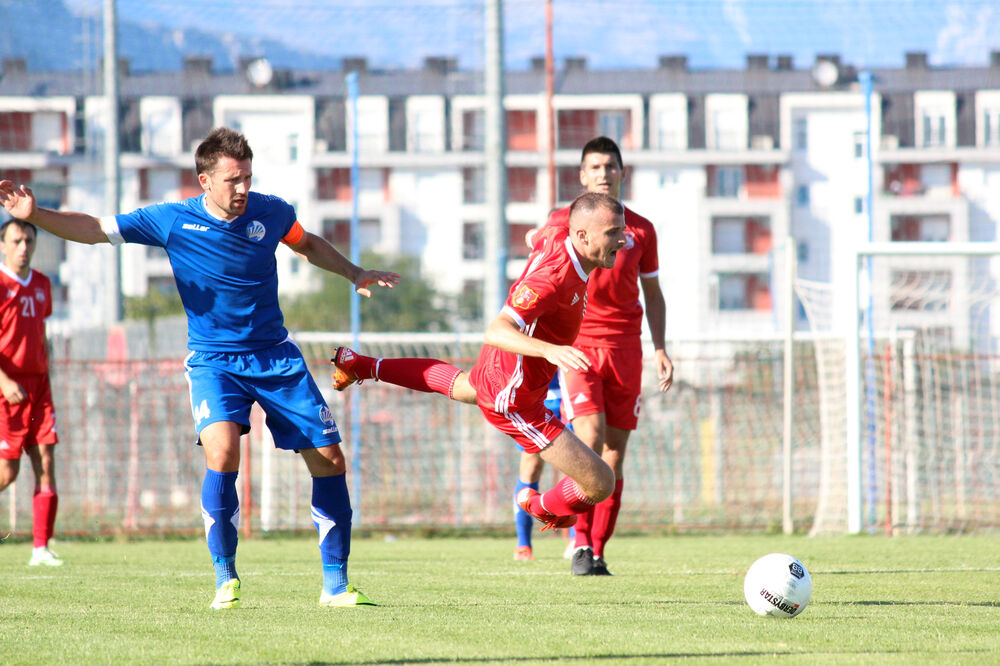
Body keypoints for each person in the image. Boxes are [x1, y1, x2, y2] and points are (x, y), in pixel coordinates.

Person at [0, 127, 400, 609]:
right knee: (223, 451)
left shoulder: (271, 211)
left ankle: (335, 584)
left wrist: (355, 273)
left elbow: (306, 243)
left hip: (275, 354)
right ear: (204, 180)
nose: (243, 189)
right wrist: (36, 214)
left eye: (248, 177)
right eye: (233, 179)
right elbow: (93, 230)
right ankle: (225, 578)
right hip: (214, 360)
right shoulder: (171, 221)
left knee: (330, 459)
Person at [331, 192, 625, 533]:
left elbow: (539, 234)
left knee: (461, 385)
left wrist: (534, 238)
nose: (622, 239)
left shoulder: (559, 235)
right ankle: (536, 504)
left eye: (622, 230)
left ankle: (361, 365)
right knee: (600, 483)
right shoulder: (552, 279)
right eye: (613, 232)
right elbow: (497, 330)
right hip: (513, 396)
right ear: (583, 236)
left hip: (503, 369)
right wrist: (549, 350)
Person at [522, 136, 673, 575]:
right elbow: (539, 255)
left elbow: (654, 293)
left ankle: (599, 549)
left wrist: (660, 347)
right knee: (586, 438)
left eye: (611, 166)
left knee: (614, 452)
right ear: (582, 176)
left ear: (622, 174)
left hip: (626, 350)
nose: (603, 173)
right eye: (595, 167)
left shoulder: (641, 230)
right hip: (579, 346)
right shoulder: (563, 221)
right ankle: (580, 542)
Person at [0, 219, 63, 566]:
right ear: (3, 244)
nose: (23, 246)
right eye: (17, 240)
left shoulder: (41, 283)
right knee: (8, 473)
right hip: (8, 388)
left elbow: (40, 334)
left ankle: (41, 548)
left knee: (46, 463)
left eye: (28, 240)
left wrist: (47, 375)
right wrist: (5, 382)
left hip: (39, 388)